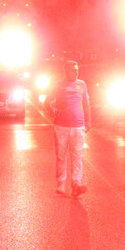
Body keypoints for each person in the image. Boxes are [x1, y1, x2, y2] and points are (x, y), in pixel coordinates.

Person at [48, 60, 91, 196]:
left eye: (77, 70)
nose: (77, 72)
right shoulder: (58, 85)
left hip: (78, 126)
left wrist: (88, 121)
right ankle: (60, 183)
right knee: (61, 156)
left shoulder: (82, 84)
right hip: (61, 126)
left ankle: (76, 184)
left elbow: (86, 103)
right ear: (66, 72)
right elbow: (46, 101)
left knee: (77, 155)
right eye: (74, 70)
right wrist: (52, 111)